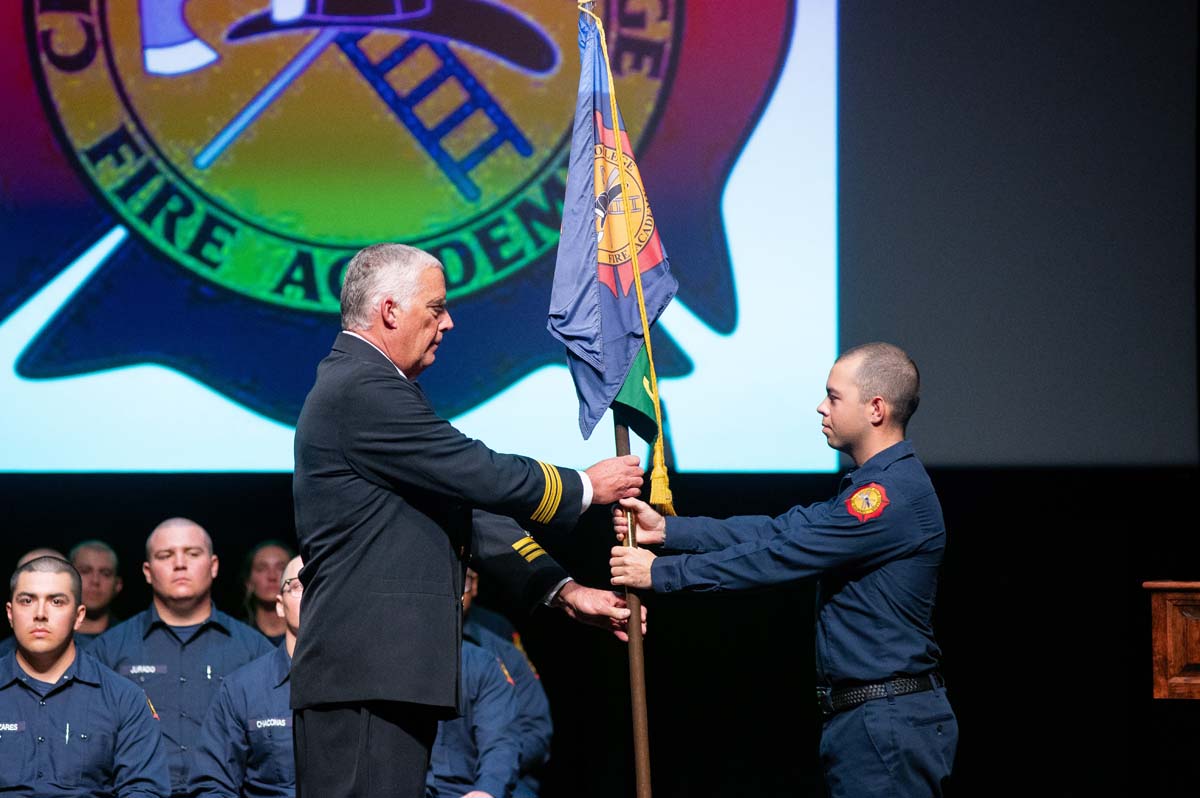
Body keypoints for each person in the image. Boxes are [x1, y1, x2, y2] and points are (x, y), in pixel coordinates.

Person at [291, 242, 645, 798]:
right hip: (365, 675)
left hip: (384, 675)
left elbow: (467, 508)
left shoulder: (376, 387)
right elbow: (479, 473)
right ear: (389, 311)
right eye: (436, 308)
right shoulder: (361, 388)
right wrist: (584, 485)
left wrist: (562, 588)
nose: (449, 322)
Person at [610, 342, 958, 797]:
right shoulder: (872, 488)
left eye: (834, 397)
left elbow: (780, 556)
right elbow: (780, 531)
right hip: (870, 718)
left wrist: (661, 574)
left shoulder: (891, 499)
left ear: (876, 408)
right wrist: (669, 533)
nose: (821, 407)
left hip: (887, 720)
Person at [90, 518, 274, 798]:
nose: (180, 564)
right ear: (148, 572)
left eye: (192, 553)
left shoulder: (254, 650)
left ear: (213, 566)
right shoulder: (107, 651)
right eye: (166, 555)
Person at [1, 555, 172, 797]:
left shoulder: (124, 698)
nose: (40, 613)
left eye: (56, 601)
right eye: (27, 600)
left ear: (79, 616)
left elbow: (144, 789)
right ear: (10, 613)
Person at [188, 555, 304, 798]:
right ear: (280, 605)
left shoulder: (367, 682)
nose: (312, 594)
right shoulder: (242, 689)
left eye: (321, 583)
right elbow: (212, 785)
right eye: (298, 585)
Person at [462, 569, 552, 798]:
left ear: (475, 585)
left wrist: (496, 764)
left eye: (463, 580)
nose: (455, 592)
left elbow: (536, 728)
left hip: (502, 770)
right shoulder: (406, 640)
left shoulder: (497, 637)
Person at [425, 640, 521, 798]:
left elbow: (500, 741)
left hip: (464, 790)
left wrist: (488, 789)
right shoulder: (382, 658)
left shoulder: (481, 663)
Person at [70, 539, 125, 646]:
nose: (95, 581)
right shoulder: (47, 636)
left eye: (105, 573)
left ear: (117, 585)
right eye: (85, 571)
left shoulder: (132, 639)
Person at [240, 540, 295, 646]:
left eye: (281, 568)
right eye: (261, 569)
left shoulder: (309, 635)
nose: (272, 576)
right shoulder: (238, 636)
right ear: (248, 582)